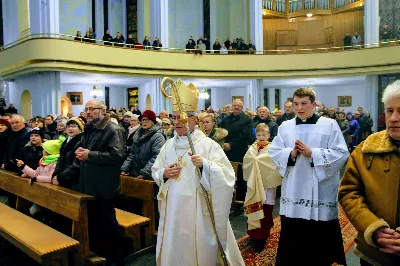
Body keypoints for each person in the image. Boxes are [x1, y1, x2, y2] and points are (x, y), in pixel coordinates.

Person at [151, 79, 245, 266]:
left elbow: (227, 175)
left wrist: (205, 165)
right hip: (174, 207)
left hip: (198, 208)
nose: (177, 122)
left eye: (182, 117)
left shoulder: (207, 145)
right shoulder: (168, 145)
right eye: (174, 117)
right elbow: (156, 170)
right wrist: (164, 173)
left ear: (194, 119)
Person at [268, 87, 349, 266]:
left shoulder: (329, 125)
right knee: (293, 236)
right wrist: (291, 154)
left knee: (319, 242)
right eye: (296, 104)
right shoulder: (285, 126)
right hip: (294, 187)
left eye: (304, 103)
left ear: (314, 104)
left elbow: (341, 153)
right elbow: (273, 151)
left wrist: (314, 153)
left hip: (319, 188)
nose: (299, 107)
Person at [339, 80, 400, 266]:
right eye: (390, 111)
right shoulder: (367, 148)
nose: (394, 118)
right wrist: (373, 228)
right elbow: (349, 193)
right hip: (374, 254)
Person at [74, 99, 125, 265]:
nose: (88, 112)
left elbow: (117, 156)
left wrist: (89, 155)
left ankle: (117, 259)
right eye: (86, 109)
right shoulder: (90, 127)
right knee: (95, 223)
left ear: (103, 110)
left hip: (104, 185)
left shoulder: (112, 129)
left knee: (108, 224)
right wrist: (81, 151)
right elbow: (87, 148)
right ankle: (101, 254)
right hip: (89, 182)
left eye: (92, 109)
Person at [243, 123, 281, 252]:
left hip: (268, 186)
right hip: (254, 185)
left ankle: (262, 235)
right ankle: (253, 234)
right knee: (254, 207)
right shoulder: (252, 148)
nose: (261, 137)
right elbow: (247, 161)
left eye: (264, 134)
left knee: (266, 210)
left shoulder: (273, 148)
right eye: (259, 134)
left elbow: (275, 165)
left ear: (269, 135)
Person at [121, 110, 166, 180]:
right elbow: (132, 154)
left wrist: (144, 173)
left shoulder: (158, 137)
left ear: (153, 121)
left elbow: (156, 157)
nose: (144, 122)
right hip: (136, 174)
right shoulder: (137, 135)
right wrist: (125, 168)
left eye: (147, 120)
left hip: (150, 177)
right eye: (142, 120)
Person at [52, 117, 84, 191]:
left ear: (80, 128)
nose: (70, 129)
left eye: (74, 126)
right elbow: (60, 160)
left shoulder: (81, 141)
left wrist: (60, 177)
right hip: (62, 178)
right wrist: (55, 175)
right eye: (68, 126)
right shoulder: (66, 140)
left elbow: (76, 165)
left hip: (74, 180)